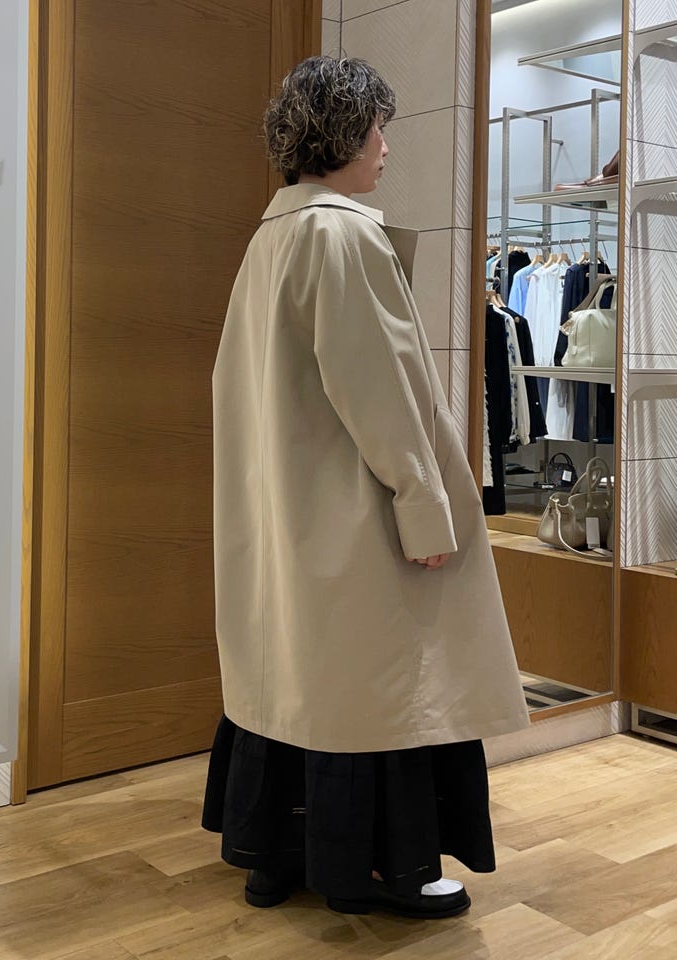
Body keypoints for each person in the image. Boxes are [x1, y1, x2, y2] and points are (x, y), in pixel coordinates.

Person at [202, 55, 529, 919]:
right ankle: (386, 868)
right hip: (353, 512)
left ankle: (276, 855)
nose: (387, 146)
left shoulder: (273, 237)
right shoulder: (341, 236)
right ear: (345, 133)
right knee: (377, 687)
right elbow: (381, 393)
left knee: (291, 676)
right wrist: (424, 506)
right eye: (379, 128)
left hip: (290, 505)